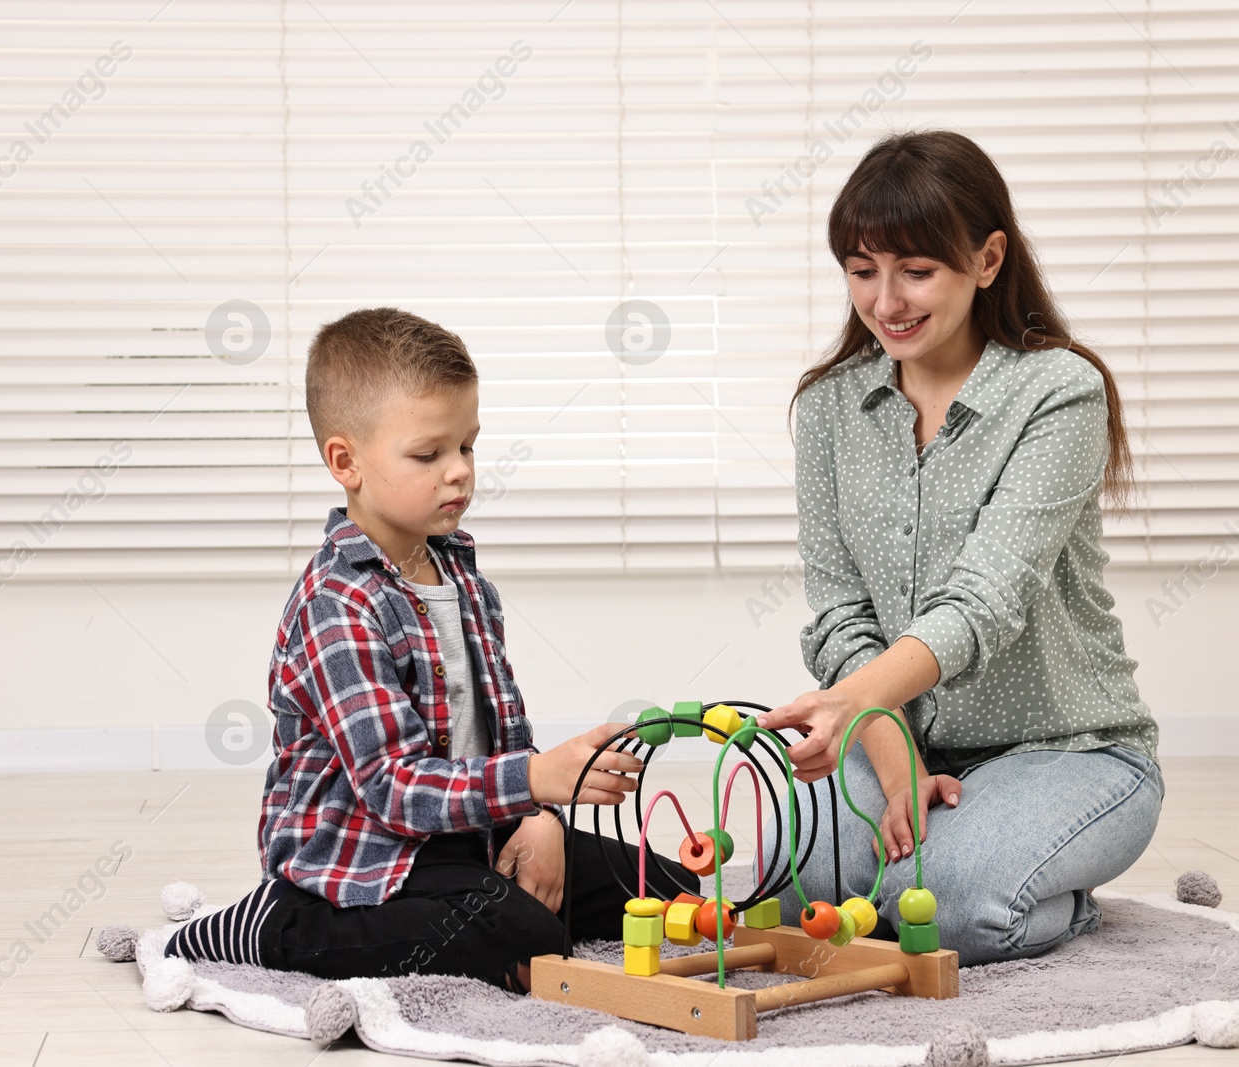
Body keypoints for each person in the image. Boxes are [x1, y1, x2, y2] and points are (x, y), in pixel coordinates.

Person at [164, 307, 699, 990]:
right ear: (345, 462)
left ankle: (482, 893)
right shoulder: (339, 602)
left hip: (464, 830)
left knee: (667, 889)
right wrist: (534, 779)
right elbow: (391, 788)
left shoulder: (463, 577)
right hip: (370, 848)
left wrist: (539, 819)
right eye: (429, 454)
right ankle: (279, 922)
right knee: (523, 935)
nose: (459, 474)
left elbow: (506, 733)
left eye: (467, 447)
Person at [755, 130, 1162, 966]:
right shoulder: (831, 407)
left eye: (916, 269)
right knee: (791, 891)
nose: (885, 299)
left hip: (1073, 749)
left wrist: (851, 700)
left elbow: (985, 602)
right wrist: (886, 738)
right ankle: (974, 851)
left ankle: (1065, 899)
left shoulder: (1059, 392)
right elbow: (840, 611)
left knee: (947, 911)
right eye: (862, 269)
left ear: (986, 259)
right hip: (897, 734)